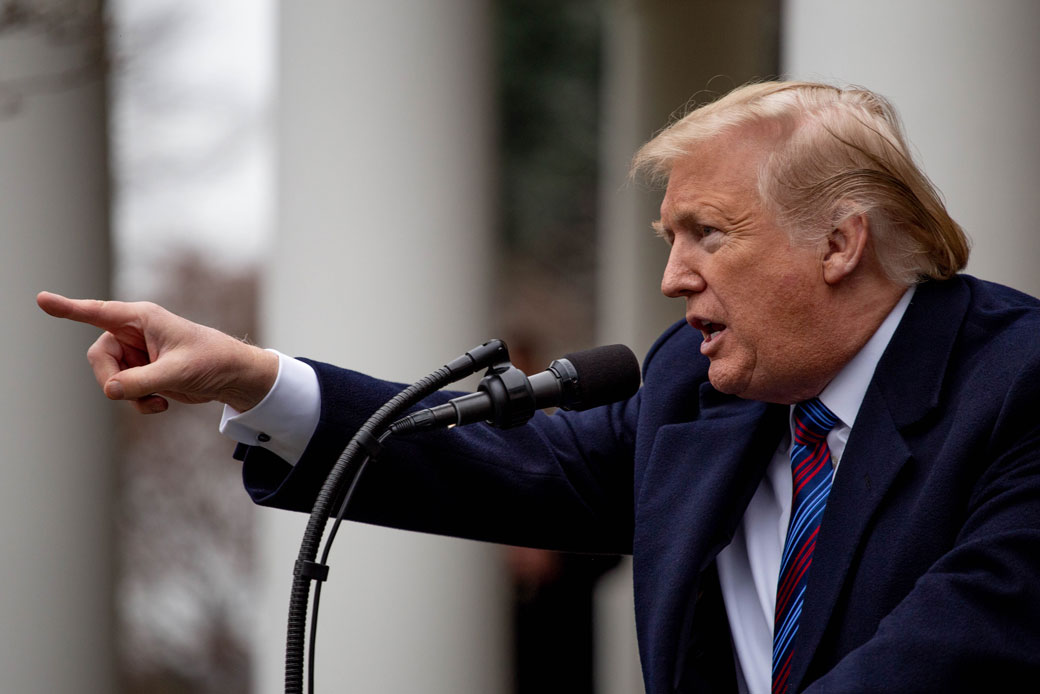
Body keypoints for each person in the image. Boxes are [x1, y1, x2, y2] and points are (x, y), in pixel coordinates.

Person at [38, 81, 1040, 693]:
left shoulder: (1017, 384)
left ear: (838, 241)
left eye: (708, 234)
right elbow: (503, 460)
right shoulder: (696, 387)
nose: (671, 277)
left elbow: (952, 657)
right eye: (667, 239)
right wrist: (253, 378)